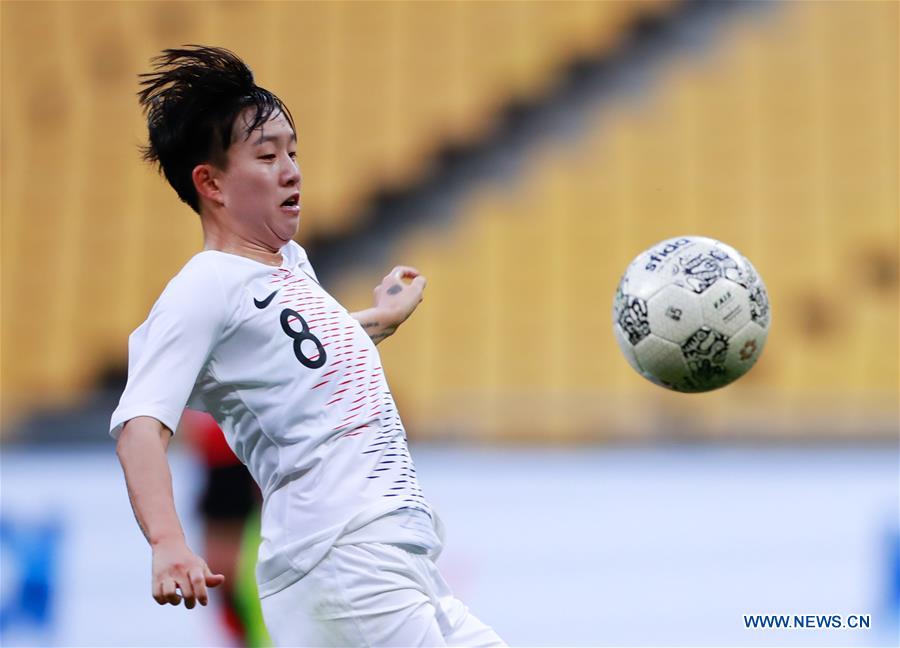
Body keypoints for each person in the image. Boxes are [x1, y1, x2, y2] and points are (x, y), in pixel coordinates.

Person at [110, 45, 504, 647]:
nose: (291, 169)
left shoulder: (288, 266)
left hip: (395, 557)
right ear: (210, 183)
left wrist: (379, 318)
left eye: (292, 151)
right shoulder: (203, 285)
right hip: (339, 557)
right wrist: (167, 543)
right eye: (267, 156)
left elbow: (295, 355)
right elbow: (140, 422)